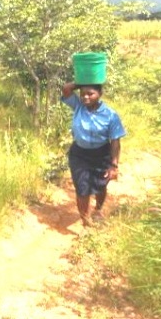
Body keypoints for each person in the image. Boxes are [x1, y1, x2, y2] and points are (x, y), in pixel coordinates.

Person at [61, 82, 126, 227]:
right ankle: (85, 220)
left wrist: (114, 165)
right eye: (82, 93)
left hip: (102, 154)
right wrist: (83, 80)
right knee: (82, 188)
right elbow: (66, 89)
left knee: (100, 185)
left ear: (100, 94)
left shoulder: (111, 115)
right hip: (79, 154)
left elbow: (115, 141)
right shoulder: (78, 106)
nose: (85, 97)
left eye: (90, 93)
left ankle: (97, 209)